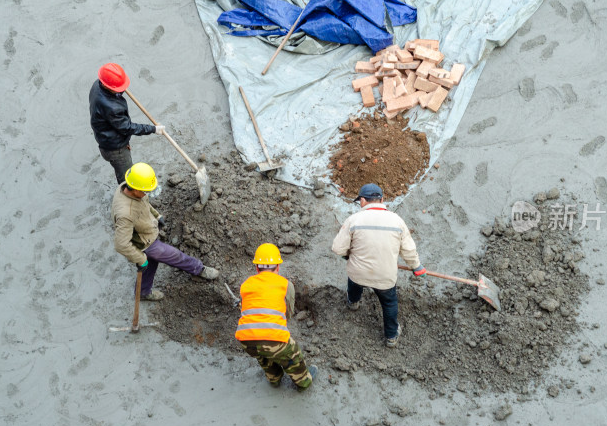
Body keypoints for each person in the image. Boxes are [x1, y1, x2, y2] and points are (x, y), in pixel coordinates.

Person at [331, 183, 426, 348]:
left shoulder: (353, 220)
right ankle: (391, 336)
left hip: (358, 272)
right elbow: (409, 250)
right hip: (384, 276)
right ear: (382, 199)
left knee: (354, 281)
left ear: (362, 201)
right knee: (389, 303)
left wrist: (348, 255)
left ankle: (353, 302)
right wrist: (417, 267)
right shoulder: (396, 220)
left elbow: (338, 248)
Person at [111, 162, 219, 301]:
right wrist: (140, 258)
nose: (146, 194)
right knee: (175, 255)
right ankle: (199, 269)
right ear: (135, 189)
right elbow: (121, 244)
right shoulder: (126, 213)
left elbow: (144, 203)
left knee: (150, 265)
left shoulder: (127, 186)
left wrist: (156, 215)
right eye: (145, 191)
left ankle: (143, 292)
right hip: (146, 244)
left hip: (146, 232)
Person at [235, 243, 317, 390]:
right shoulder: (285, 284)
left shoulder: (246, 284)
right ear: (278, 267)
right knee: (292, 355)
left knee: (262, 355)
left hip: (246, 340)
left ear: (256, 268)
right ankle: (303, 381)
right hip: (273, 337)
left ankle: (274, 378)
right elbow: (288, 313)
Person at [89, 62, 165, 184]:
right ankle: (129, 199)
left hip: (105, 138)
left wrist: (119, 89)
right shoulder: (112, 108)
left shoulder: (97, 85)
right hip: (116, 149)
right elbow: (127, 128)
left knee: (125, 174)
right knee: (127, 179)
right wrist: (153, 129)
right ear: (108, 86)